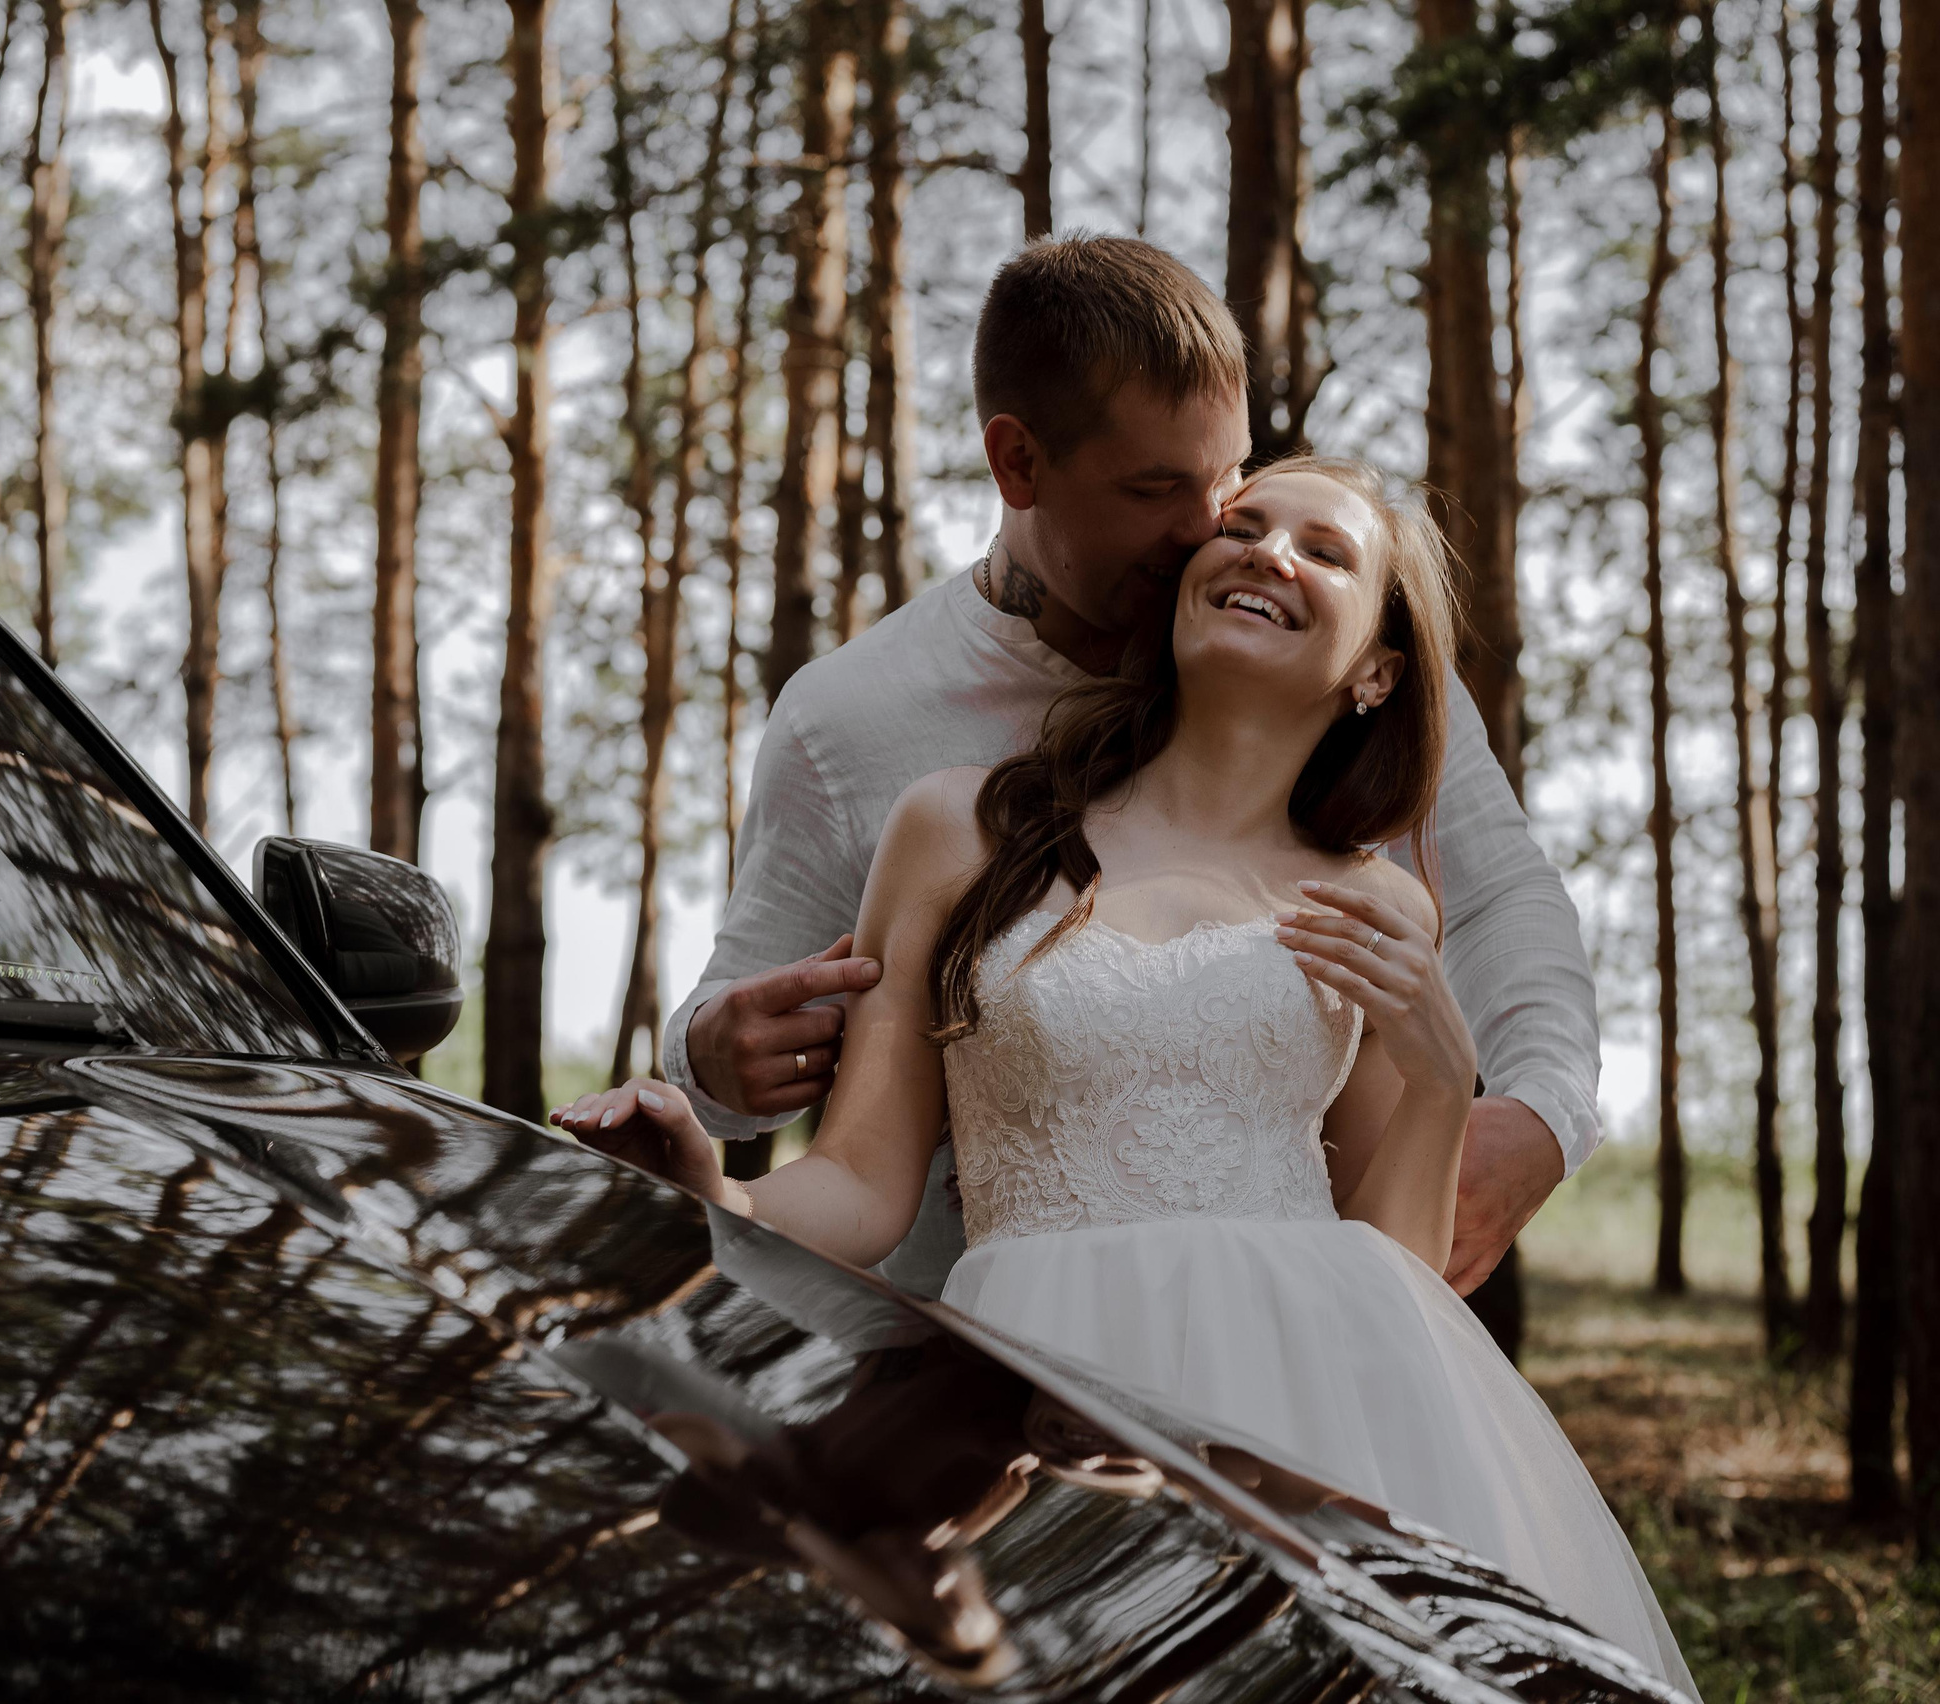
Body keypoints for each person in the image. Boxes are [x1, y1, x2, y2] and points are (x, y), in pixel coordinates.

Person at [555, 457, 1695, 1689]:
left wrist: (1439, 1078)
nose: (1267, 554)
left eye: (1326, 552)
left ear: (1377, 669)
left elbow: (1399, 1265)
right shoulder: (960, 828)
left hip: (1330, 1406)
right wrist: (704, 1196)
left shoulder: (1374, 897)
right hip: (1032, 1392)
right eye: (1245, 527)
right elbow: (861, 1184)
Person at [660, 237, 1599, 1309]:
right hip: (946, 1340)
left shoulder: (1340, 678)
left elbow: (1500, 898)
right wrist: (711, 1065)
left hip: (1298, 1334)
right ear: (1017, 463)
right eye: (1159, 488)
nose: (1215, 530)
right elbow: (762, 1064)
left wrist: (1542, 1109)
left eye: (1231, 477)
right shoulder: (854, 722)